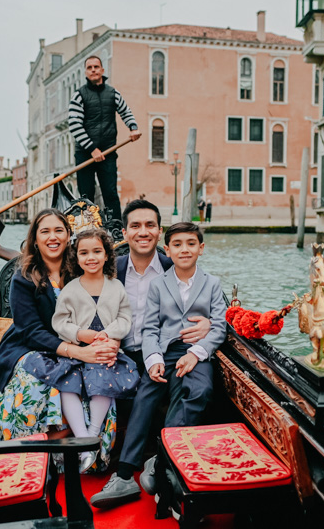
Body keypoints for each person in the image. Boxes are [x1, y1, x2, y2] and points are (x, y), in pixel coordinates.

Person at [91, 222, 227, 508]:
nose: (185, 249)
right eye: (177, 244)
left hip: (194, 352)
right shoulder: (158, 284)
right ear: (168, 250)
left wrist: (197, 352)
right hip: (164, 352)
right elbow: (150, 330)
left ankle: (161, 460)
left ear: (201, 248)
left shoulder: (212, 283)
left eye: (191, 244)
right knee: (145, 395)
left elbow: (220, 326)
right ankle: (125, 473)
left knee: (198, 391)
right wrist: (153, 360)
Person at [0, 209, 120, 457]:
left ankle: (79, 445)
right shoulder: (23, 278)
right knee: (40, 382)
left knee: (100, 374)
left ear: (68, 235)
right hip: (28, 347)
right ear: (35, 239)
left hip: (79, 344)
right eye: (45, 231)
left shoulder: (81, 269)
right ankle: (44, 446)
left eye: (59, 230)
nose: (52, 237)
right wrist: (77, 351)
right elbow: (30, 331)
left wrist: (102, 344)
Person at [24, 227, 139, 471]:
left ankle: (93, 434)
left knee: (105, 380)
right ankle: (85, 440)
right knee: (67, 384)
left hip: (106, 351)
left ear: (107, 255)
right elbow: (60, 322)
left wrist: (108, 335)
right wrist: (80, 334)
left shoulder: (116, 286)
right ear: (76, 258)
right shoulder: (70, 289)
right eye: (84, 253)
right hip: (78, 350)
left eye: (97, 251)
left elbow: (125, 318)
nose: (91, 257)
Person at [116, 200, 211, 377]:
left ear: (159, 232)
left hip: (166, 357)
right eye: (135, 226)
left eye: (150, 225)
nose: (143, 232)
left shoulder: (178, 269)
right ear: (125, 233)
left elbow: (209, 304)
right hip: (120, 358)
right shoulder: (110, 271)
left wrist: (209, 323)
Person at [68, 55, 141, 221]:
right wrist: (92, 149)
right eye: (89, 67)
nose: (93, 70)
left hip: (108, 151)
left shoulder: (113, 93)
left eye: (96, 67)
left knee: (111, 193)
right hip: (85, 153)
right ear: (86, 73)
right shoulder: (79, 96)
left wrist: (133, 127)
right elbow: (74, 125)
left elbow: (125, 111)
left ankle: (116, 230)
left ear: (102, 70)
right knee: (86, 196)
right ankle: (86, 229)